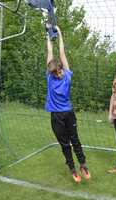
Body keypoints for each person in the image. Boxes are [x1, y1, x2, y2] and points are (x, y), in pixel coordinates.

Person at [45, 24, 90, 182]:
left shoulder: (68, 75)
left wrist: (60, 33)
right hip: (56, 116)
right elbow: (50, 52)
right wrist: (48, 34)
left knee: (75, 139)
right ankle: (72, 167)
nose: (59, 74)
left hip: (69, 114)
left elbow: (62, 53)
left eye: (60, 71)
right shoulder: (50, 78)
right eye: (56, 73)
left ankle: (83, 164)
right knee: (64, 143)